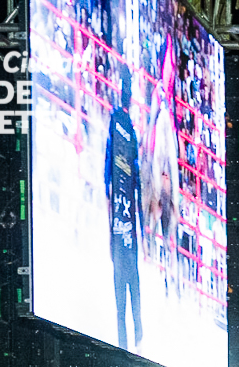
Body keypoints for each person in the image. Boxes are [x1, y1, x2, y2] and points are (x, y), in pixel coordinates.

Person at [105, 64, 144, 350]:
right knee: (131, 288)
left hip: (123, 231)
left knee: (125, 288)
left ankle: (130, 340)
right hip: (125, 230)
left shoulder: (122, 125)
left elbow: (112, 160)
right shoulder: (127, 127)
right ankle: (133, 338)